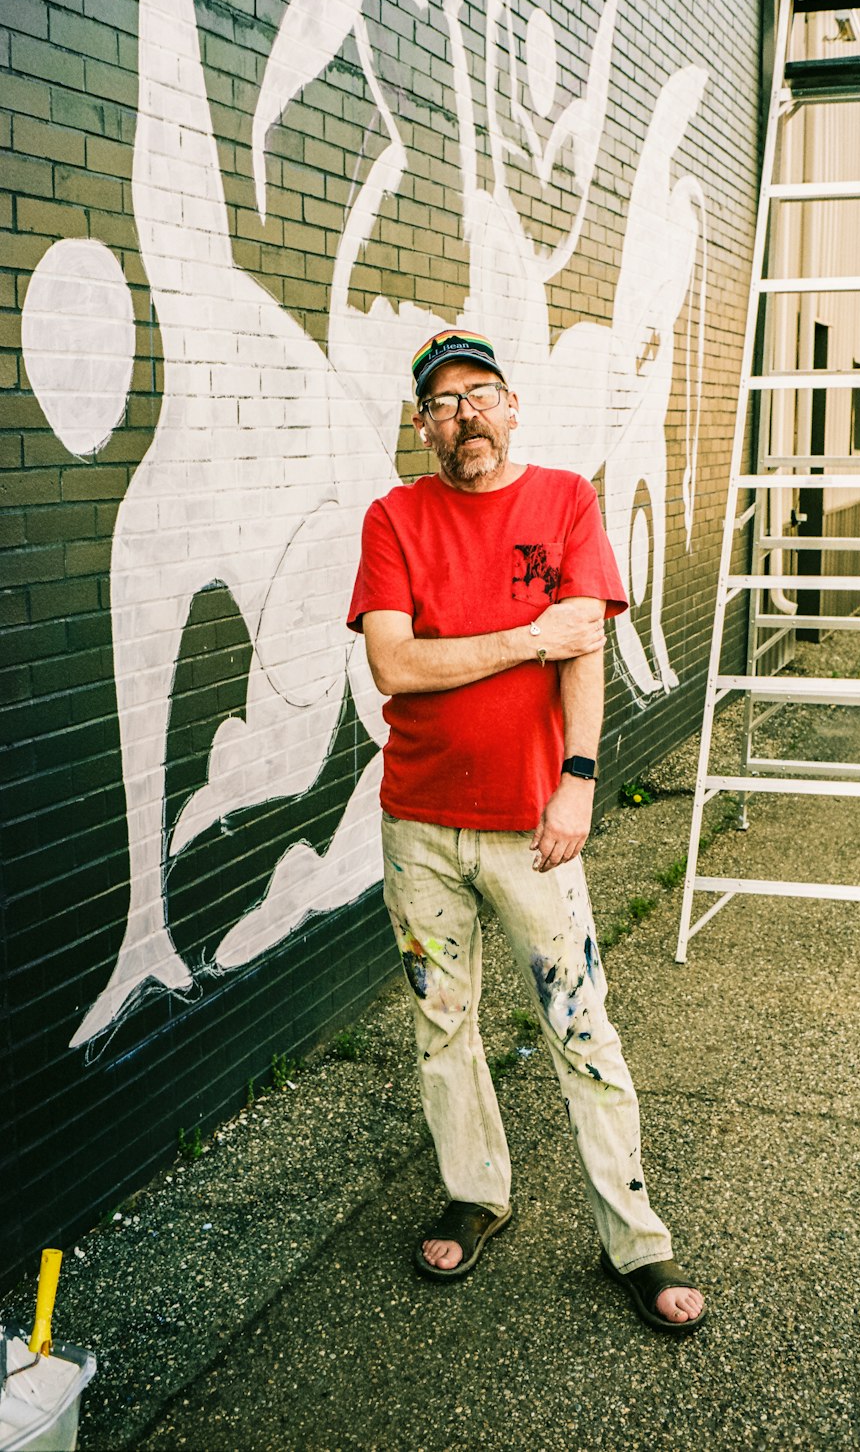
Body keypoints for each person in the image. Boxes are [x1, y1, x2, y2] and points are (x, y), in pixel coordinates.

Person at [347, 329, 706, 1334]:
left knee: (581, 1027)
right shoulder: (395, 517)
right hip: (419, 826)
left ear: (510, 406)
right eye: (444, 402)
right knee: (440, 1024)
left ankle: (635, 1238)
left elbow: (581, 647)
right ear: (424, 426)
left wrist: (579, 781)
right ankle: (477, 1190)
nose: (465, 414)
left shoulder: (563, 501)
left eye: (481, 393)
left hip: (531, 827)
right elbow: (394, 666)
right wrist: (524, 637)